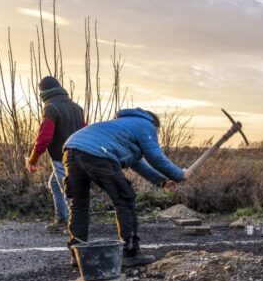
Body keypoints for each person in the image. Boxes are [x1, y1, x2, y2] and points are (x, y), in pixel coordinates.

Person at [63, 108, 191, 267]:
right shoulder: (146, 124)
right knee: (125, 199)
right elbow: (155, 157)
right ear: (155, 125)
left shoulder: (123, 126)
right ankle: (131, 253)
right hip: (98, 153)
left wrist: (162, 181)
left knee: (79, 204)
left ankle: (77, 254)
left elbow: (138, 164)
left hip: (72, 149)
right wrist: (180, 174)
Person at [25, 76, 85, 232]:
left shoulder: (51, 108)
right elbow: (85, 130)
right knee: (54, 184)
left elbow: (44, 139)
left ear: (43, 92)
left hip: (62, 157)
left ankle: (74, 226)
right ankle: (62, 219)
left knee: (68, 191)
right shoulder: (77, 108)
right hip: (81, 155)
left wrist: (32, 160)